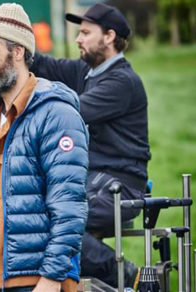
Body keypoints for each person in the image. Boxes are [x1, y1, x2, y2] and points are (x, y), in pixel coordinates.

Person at [0, 3, 89, 292]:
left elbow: (69, 208)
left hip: (36, 281)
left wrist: (52, 279)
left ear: (18, 52)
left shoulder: (57, 115)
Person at [30, 3, 151, 288]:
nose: (77, 39)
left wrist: (25, 116)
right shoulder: (87, 72)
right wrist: (14, 44)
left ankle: (131, 277)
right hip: (91, 181)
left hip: (118, 185)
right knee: (35, 210)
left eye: (85, 32)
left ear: (109, 37)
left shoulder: (123, 81)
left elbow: (72, 112)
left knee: (51, 216)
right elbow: (46, 65)